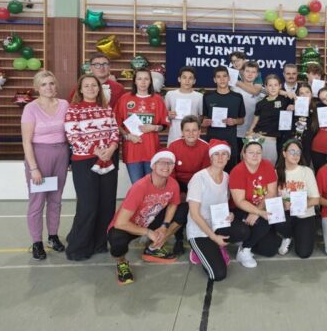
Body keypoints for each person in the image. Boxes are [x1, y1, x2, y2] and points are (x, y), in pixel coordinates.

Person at [107, 150, 188, 285]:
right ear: (153, 166)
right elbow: (120, 223)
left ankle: (153, 248)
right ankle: (121, 263)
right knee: (117, 240)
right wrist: (148, 232)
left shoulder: (173, 184)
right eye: (162, 163)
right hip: (130, 226)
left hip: (150, 219)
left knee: (184, 209)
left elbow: (173, 204)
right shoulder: (140, 187)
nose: (166, 166)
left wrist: (164, 226)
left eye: (170, 163)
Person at [64, 75, 120, 260]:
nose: (90, 88)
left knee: (107, 204)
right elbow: (73, 136)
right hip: (85, 161)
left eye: (94, 85)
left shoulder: (106, 108)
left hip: (108, 159)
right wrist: (96, 150)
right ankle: (78, 246)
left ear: (99, 88)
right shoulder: (73, 110)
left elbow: (114, 131)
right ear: (80, 89)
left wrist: (111, 149)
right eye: (86, 86)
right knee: (88, 206)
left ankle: (99, 243)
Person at [21, 70, 70, 260]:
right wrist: (34, 168)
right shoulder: (31, 108)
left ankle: (53, 236)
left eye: (51, 83)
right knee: (37, 201)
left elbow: (70, 133)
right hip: (39, 156)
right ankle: (36, 242)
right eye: (43, 84)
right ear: (37, 88)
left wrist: (70, 158)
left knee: (56, 200)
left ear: (55, 85)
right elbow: (26, 141)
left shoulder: (64, 104)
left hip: (61, 155)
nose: (48, 87)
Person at [187, 140, 251, 281]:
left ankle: (216, 245)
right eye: (216, 154)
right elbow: (194, 215)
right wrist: (214, 237)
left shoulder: (227, 177)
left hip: (218, 224)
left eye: (224, 154)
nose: (220, 157)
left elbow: (223, 203)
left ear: (228, 157)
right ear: (210, 157)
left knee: (243, 231)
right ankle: (198, 250)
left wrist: (230, 214)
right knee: (218, 274)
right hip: (199, 230)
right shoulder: (199, 178)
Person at [229, 140, 282, 267]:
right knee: (264, 220)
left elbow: (272, 192)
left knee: (270, 250)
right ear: (244, 154)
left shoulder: (267, 166)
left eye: (258, 152)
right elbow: (239, 201)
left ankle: (247, 239)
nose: (255, 155)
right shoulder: (237, 171)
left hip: (261, 207)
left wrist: (257, 212)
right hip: (241, 209)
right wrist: (258, 212)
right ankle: (244, 249)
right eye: (251, 152)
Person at [115, 69, 169, 183]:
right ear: (135, 81)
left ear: (150, 81)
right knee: (137, 186)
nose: (143, 82)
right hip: (132, 151)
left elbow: (164, 125)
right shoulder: (125, 99)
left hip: (151, 151)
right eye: (139, 79)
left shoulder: (157, 99)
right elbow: (117, 123)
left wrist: (154, 127)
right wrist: (127, 136)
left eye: (146, 79)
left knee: (151, 185)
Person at [167, 115, 211, 254]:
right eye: (187, 130)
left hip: (197, 184)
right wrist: (178, 193)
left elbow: (205, 174)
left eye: (194, 130)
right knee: (178, 207)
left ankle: (199, 236)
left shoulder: (206, 147)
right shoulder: (173, 146)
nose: (191, 133)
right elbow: (170, 172)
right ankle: (178, 238)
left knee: (194, 206)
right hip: (178, 184)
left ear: (200, 131)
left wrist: (192, 194)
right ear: (182, 132)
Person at [274, 139, 320, 258]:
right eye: (292, 151)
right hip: (285, 215)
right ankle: (287, 236)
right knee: (276, 218)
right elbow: (271, 199)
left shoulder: (306, 171)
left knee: (304, 253)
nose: (295, 155)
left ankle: (299, 233)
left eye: (298, 152)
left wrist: (298, 205)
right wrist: (282, 204)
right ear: (284, 153)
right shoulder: (276, 172)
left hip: (304, 214)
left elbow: (315, 199)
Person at [202, 66, 246, 171]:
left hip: (231, 141)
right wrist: (204, 122)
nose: (222, 79)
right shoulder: (207, 96)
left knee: (230, 171)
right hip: (212, 140)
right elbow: (203, 118)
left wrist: (234, 121)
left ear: (229, 78)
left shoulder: (237, 97)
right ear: (214, 80)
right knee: (212, 171)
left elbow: (242, 119)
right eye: (218, 77)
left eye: (224, 76)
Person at [246, 74, 293, 164]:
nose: (273, 88)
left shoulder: (285, 99)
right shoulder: (261, 103)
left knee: (269, 166)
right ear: (266, 87)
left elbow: (296, 100)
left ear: (280, 86)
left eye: (275, 85)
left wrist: (287, 95)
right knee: (253, 165)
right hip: (256, 137)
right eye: (270, 85)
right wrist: (249, 136)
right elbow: (255, 121)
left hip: (271, 140)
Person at [165, 66, 203, 145]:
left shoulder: (199, 96)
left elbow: (201, 116)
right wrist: (168, 115)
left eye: (190, 78)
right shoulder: (170, 94)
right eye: (184, 77)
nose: (187, 81)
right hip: (174, 134)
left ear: (194, 81)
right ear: (179, 79)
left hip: (192, 136)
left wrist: (197, 120)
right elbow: (164, 115)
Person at [232, 61, 262, 160]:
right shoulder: (233, 89)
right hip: (236, 132)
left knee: (251, 161)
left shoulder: (262, 92)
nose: (250, 74)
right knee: (236, 161)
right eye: (247, 71)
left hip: (253, 134)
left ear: (257, 75)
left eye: (253, 72)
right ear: (242, 72)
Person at [293, 83, 318, 166]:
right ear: (298, 96)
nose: (305, 95)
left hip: (313, 149)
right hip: (296, 147)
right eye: (301, 93)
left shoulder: (317, 109)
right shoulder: (293, 109)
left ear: (311, 94)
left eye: (307, 92)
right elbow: (297, 134)